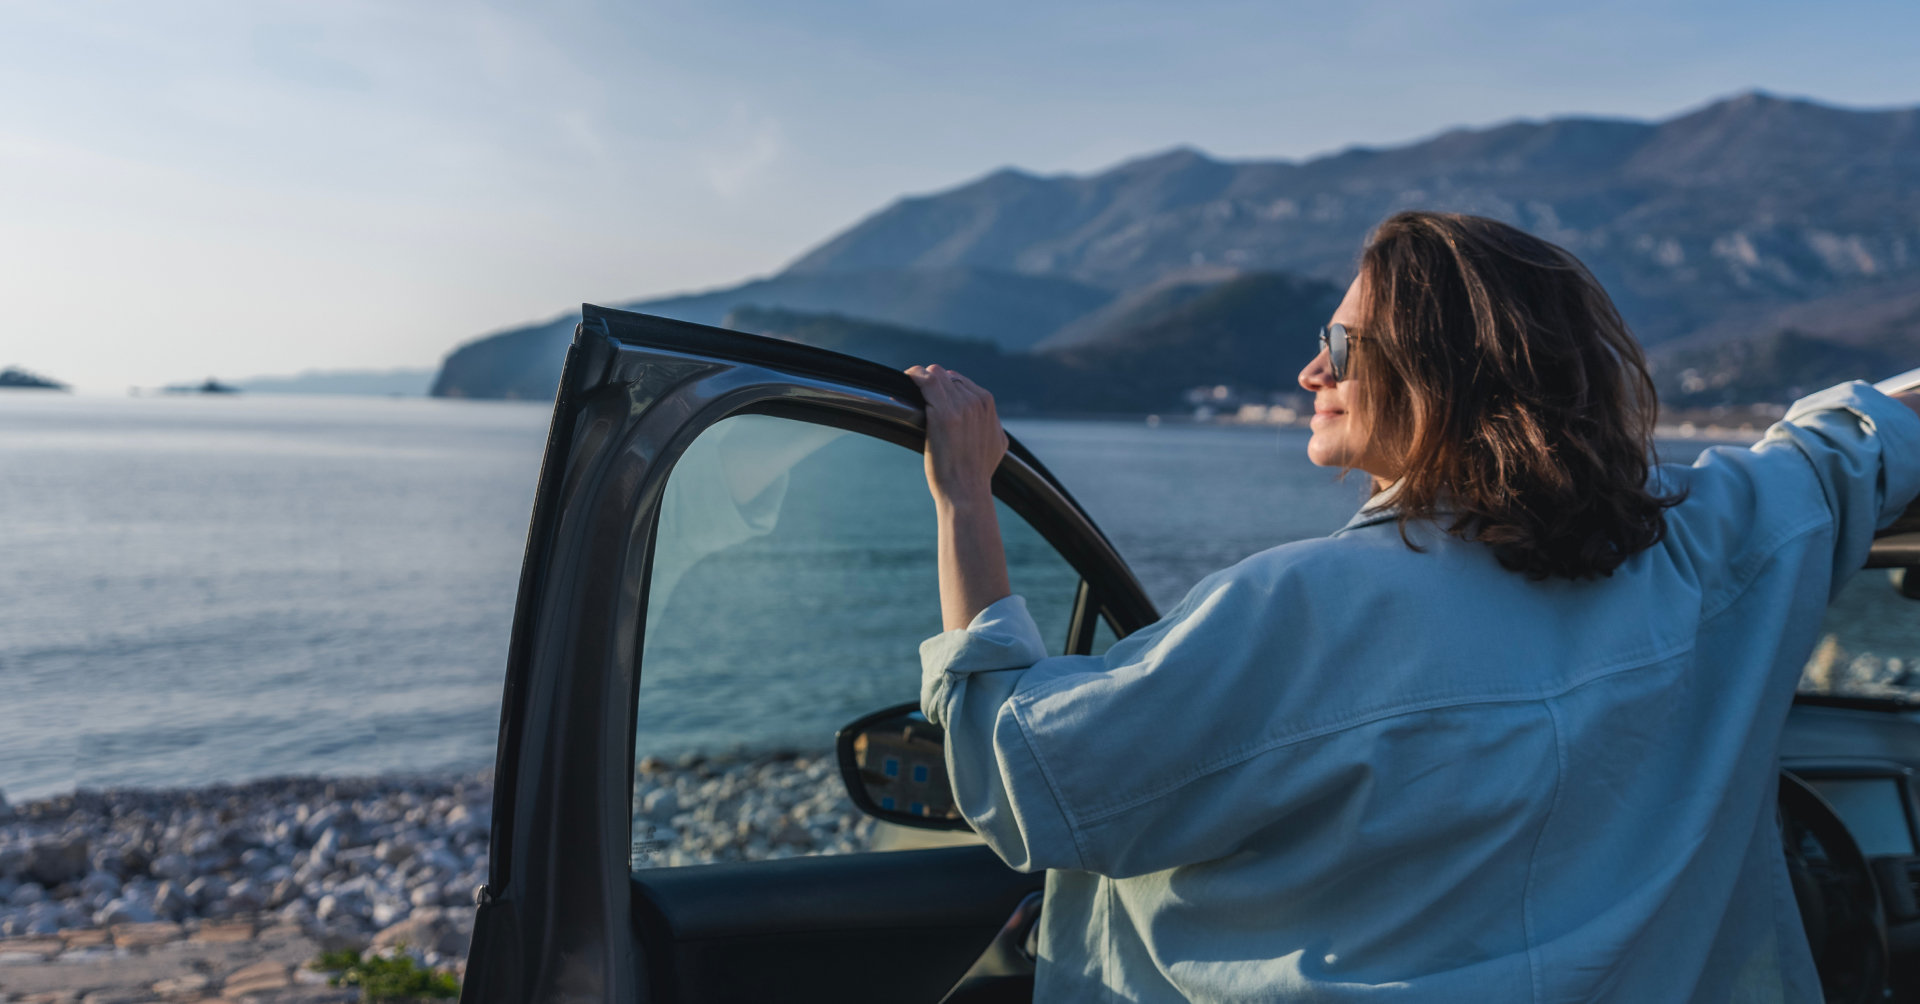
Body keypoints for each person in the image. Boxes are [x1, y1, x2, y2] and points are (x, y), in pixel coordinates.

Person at [902, 210, 1920, 1003]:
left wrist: (965, 500)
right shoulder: (1714, 542)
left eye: (1339, 348)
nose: (1311, 372)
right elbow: (1858, 440)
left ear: (1441, 372)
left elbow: (1021, 774)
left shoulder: (1299, 611)